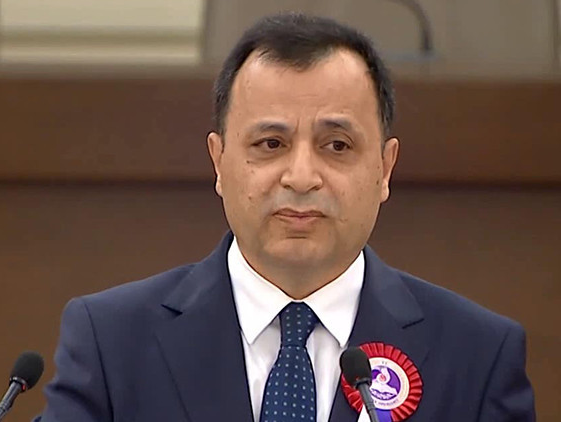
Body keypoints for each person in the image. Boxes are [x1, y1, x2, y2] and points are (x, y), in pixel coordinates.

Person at [36, 13, 535, 422]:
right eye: (271, 143)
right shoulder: (112, 341)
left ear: (385, 169)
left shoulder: (478, 357)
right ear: (219, 162)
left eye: (336, 146)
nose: (300, 177)